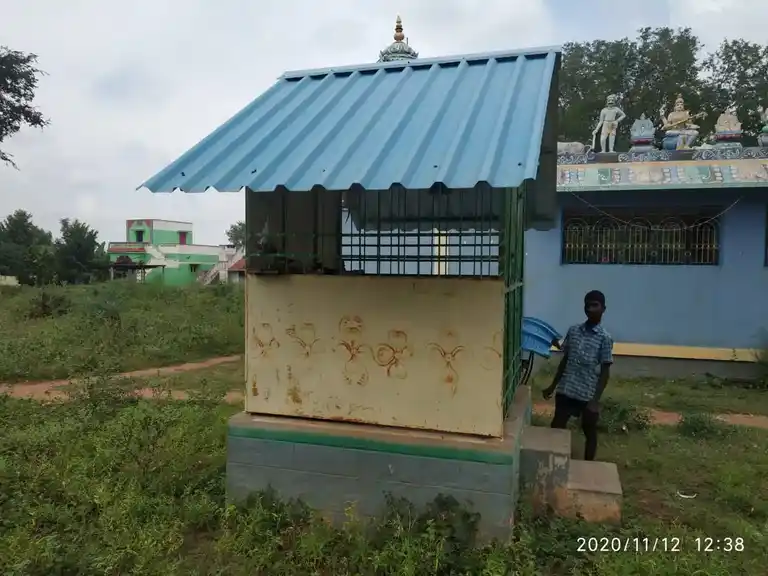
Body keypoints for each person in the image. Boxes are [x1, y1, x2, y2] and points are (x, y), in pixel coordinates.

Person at [542, 290, 613, 461]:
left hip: (587, 394)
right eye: (587, 305)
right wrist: (552, 386)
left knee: (589, 431)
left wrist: (595, 401)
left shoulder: (604, 338)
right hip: (566, 389)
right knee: (556, 428)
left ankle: (588, 467)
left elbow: (605, 372)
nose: (590, 308)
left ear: (604, 308)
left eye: (594, 305)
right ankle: (552, 465)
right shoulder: (574, 331)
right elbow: (565, 360)